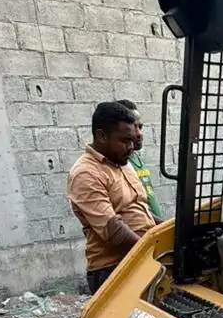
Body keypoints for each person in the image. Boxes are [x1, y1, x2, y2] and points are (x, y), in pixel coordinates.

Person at [66, 101, 155, 294]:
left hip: (140, 259)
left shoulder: (122, 162)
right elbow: (113, 230)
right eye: (124, 141)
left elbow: (141, 209)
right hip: (113, 270)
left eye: (132, 140)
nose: (131, 147)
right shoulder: (86, 174)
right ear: (101, 136)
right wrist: (154, 252)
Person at [120, 99, 164, 222]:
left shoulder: (135, 156)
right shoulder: (122, 163)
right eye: (134, 127)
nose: (139, 134)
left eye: (140, 127)